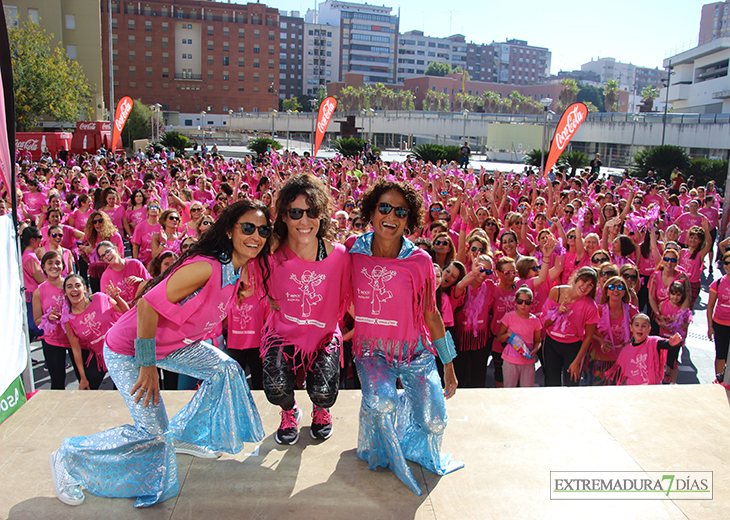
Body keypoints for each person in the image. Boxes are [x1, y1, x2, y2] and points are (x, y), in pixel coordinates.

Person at [49, 200, 270, 508]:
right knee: (153, 436)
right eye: (248, 227)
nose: (256, 235)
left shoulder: (237, 268)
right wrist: (147, 364)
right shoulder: (207, 266)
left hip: (174, 346)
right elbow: (146, 305)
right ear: (231, 230)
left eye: (263, 230)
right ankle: (68, 457)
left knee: (226, 369)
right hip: (131, 349)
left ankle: (184, 436)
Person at [350, 180, 462, 495]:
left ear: (409, 219)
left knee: (435, 422)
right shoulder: (352, 250)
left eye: (401, 211)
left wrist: (449, 364)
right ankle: (385, 403)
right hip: (372, 352)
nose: (391, 215)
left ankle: (403, 414)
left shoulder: (421, 261)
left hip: (416, 352)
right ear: (371, 212)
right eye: (384, 207)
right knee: (380, 403)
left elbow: (432, 315)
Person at [261, 173, 351, 445]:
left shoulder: (339, 255)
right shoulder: (270, 253)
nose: (304, 220)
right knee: (275, 389)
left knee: (324, 392)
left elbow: (352, 295)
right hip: (282, 333)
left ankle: (321, 410)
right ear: (284, 216)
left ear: (322, 215)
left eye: (312, 212)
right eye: (296, 212)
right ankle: (289, 412)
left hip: (323, 335)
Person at [60, 274, 129, 390]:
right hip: (99, 357)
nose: (74, 289)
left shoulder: (100, 298)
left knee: (122, 392)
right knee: (87, 389)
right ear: (65, 292)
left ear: (85, 288)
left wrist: (117, 297)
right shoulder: (68, 319)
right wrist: (82, 377)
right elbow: (76, 349)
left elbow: (126, 311)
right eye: (69, 286)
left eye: (78, 285)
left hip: (119, 352)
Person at [541, 266, 600, 387]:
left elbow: (588, 337)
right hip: (552, 344)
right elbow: (545, 324)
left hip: (573, 348)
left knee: (572, 386)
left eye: (590, 285)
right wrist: (557, 313)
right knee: (552, 385)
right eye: (584, 281)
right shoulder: (556, 292)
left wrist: (577, 362)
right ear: (576, 279)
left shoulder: (591, 306)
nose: (585, 287)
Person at [32, 252, 76, 389]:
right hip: (53, 341)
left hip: (75, 338)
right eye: (50, 263)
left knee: (85, 379)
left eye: (57, 262)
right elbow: (37, 321)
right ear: (43, 267)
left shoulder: (71, 285)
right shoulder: (39, 291)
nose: (54, 266)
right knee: (57, 382)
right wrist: (47, 318)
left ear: (63, 266)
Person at [605, 314, 682, 385]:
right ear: (631, 328)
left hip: (651, 390)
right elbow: (619, 372)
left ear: (649, 330)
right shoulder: (625, 350)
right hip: (632, 390)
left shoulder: (653, 342)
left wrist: (671, 343)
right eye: (637, 325)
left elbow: (664, 344)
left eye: (644, 326)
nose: (640, 328)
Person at [495, 287, 542, 388]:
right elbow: (499, 338)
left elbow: (538, 341)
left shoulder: (535, 321)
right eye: (520, 301)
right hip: (510, 360)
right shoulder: (508, 317)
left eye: (527, 302)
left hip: (527, 359)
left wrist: (535, 350)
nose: (523, 305)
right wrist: (508, 335)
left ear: (531, 303)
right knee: (509, 388)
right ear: (515, 302)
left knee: (527, 390)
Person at [707, 251, 730, 380]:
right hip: (720, 324)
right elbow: (710, 306)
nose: (729, 266)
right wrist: (710, 326)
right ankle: (720, 380)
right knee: (720, 353)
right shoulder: (718, 283)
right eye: (727, 263)